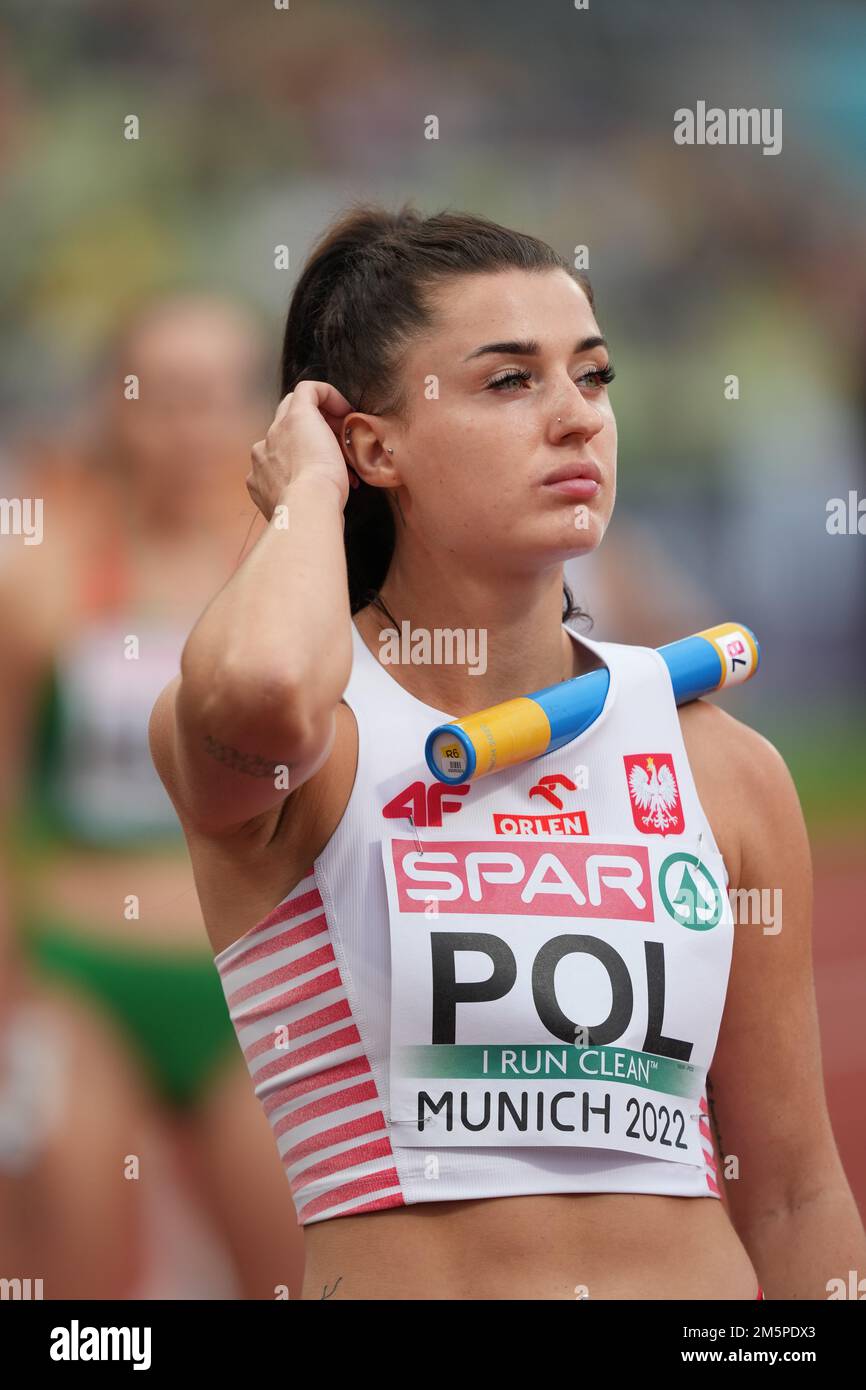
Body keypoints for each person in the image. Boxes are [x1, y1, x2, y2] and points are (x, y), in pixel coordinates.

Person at [149, 203, 866, 1301]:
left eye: (592, 376)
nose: (577, 418)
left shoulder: (721, 767)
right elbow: (256, 687)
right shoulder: (316, 746)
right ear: (369, 444)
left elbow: (790, 1193)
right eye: (508, 380)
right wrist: (302, 490)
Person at [0, 294, 305, 1298]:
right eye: (162, 396)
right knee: (75, 1292)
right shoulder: (42, 573)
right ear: (114, 406)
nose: (189, 425)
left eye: (215, 395)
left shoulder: (296, 572)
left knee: (291, 1277)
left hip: (255, 987)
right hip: (86, 980)